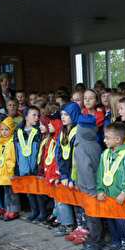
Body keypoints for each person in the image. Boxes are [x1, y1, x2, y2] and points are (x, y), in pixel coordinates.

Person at [96, 122, 125, 250]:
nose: (104, 140)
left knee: (123, 221)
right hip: (108, 196)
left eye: (107, 137)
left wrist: (124, 192)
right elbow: (100, 173)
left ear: (118, 140)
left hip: (122, 198)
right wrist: (100, 189)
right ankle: (116, 241)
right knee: (111, 220)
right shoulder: (105, 154)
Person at [74, 115, 104, 250]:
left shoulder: (80, 145)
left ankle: (95, 241)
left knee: (92, 216)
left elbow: (85, 168)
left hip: (88, 188)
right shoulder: (95, 143)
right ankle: (97, 238)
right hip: (98, 185)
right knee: (95, 215)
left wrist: (91, 189)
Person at [15, 106, 46, 223]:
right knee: (29, 191)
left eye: (38, 115)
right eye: (34, 115)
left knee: (39, 192)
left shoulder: (39, 131)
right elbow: (16, 150)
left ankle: (42, 213)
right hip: (23, 167)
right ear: (26, 116)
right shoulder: (18, 132)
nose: (37, 117)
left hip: (35, 166)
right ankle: (34, 212)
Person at [55, 102, 80, 237]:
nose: (63, 117)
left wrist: (71, 177)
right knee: (65, 198)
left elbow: (76, 159)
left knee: (78, 202)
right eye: (62, 114)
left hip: (75, 175)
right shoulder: (63, 131)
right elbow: (59, 154)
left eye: (66, 114)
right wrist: (64, 175)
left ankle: (80, 227)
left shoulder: (78, 131)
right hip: (66, 174)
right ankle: (68, 224)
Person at [0, 117, 20, 222]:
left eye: (7, 129)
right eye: (2, 129)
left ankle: (14, 210)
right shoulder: (0, 142)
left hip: (9, 172)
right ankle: (8, 209)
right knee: (6, 192)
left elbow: (12, 158)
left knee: (13, 192)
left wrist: (11, 171)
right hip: (2, 173)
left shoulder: (11, 142)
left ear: (11, 130)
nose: (4, 132)